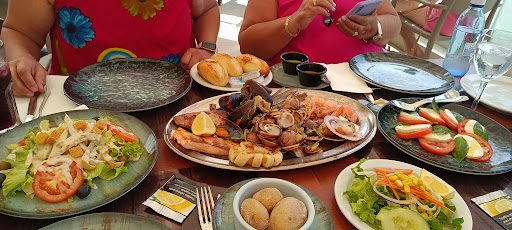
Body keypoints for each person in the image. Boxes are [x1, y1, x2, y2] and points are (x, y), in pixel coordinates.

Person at [1, 0, 220, 97]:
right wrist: (22, 59)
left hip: (177, 103)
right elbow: (21, 32)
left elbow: (206, 9)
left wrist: (206, 48)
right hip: (80, 111)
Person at [238, 0, 401, 66]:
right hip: (294, 91)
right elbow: (248, 45)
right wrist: (291, 23)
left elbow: (394, 22)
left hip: (365, 87)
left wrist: (374, 28)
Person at [395, 0, 459, 58]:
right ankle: (414, 52)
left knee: (391, 4)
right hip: (460, 25)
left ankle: (413, 52)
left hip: (441, 18)